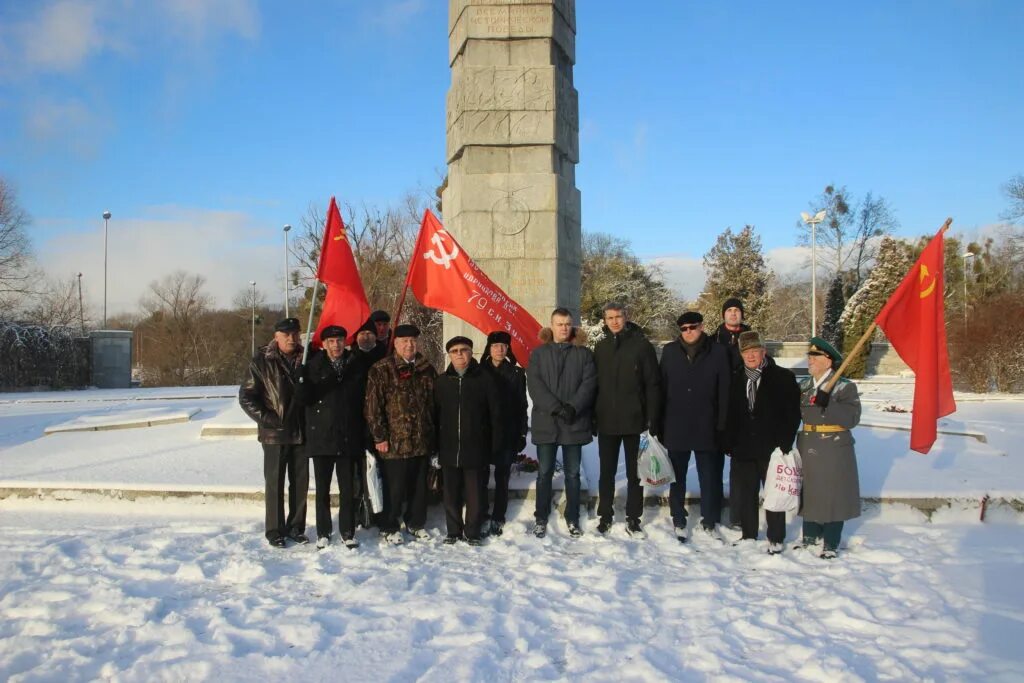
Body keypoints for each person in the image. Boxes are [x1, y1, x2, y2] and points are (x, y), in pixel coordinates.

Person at [654, 311, 730, 543]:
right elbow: (661, 388)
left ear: (702, 326)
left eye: (693, 327)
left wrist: (722, 423)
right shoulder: (669, 352)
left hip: (707, 423)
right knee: (676, 476)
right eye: (684, 328)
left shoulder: (717, 351)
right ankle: (678, 517)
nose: (688, 332)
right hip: (677, 424)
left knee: (709, 475)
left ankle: (709, 519)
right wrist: (658, 421)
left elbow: (724, 390)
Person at [298, 325, 374, 550]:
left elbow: (364, 399)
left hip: (348, 436)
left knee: (348, 488)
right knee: (322, 489)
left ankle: (347, 531)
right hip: (322, 437)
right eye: (331, 341)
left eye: (340, 340)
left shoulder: (355, 365)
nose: (336, 345)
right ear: (324, 344)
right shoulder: (312, 367)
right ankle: (323, 532)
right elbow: (303, 400)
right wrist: (301, 379)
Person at [724, 331, 801, 554]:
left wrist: (785, 442)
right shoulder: (736, 378)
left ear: (763, 352)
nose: (750, 355)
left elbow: (792, 413)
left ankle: (775, 537)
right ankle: (748, 533)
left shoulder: (782, 377)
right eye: (746, 351)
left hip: (772, 448)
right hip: (743, 447)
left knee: (773, 494)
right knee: (746, 492)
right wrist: (729, 441)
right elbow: (729, 413)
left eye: (754, 351)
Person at [238, 317, 309, 548]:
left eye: (295, 334)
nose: (291, 338)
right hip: (274, 435)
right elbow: (246, 396)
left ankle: (296, 527)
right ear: (276, 337)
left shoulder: (308, 358)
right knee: (275, 483)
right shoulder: (261, 361)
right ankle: (275, 530)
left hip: (301, 432)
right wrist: (268, 419)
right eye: (286, 335)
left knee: (300, 483)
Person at [592, 302, 660, 539]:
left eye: (618, 317)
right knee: (606, 472)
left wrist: (652, 417)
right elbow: (595, 385)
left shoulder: (641, 346)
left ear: (626, 316)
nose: (614, 321)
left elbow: (653, 384)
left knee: (635, 474)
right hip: (607, 421)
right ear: (605, 320)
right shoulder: (600, 348)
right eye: (609, 318)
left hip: (635, 421)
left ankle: (633, 517)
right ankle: (605, 516)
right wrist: (594, 415)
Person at [364, 323, 436, 545]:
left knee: (418, 487)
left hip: (420, 439)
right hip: (394, 442)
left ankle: (415, 522)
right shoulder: (382, 369)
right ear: (395, 344)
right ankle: (389, 525)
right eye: (404, 341)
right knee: (394, 488)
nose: (409, 345)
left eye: (413, 341)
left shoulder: (426, 368)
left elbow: (434, 403)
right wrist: (379, 436)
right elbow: (372, 407)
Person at [527, 308, 596, 538]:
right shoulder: (538, 354)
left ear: (572, 325)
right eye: (559, 324)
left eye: (567, 324)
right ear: (552, 325)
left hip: (573, 423)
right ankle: (541, 516)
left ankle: (573, 517)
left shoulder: (583, 354)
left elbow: (589, 384)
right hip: (547, 422)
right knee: (544, 473)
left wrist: (573, 407)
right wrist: (556, 407)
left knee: (573, 474)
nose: (564, 328)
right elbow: (535, 386)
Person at [797, 336, 862, 559]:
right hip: (809, 442)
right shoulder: (804, 385)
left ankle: (832, 541)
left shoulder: (844, 387)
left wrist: (830, 403)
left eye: (815, 356)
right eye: (809, 355)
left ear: (828, 360)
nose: (810, 359)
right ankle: (810, 537)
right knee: (811, 490)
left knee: (834, 492)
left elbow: (852, 418)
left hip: (835, 445)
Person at [434, 336, 502, 545]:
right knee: (451, 493)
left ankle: (472, 531)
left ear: (471, 353)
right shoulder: (442, 382)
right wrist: (435, 446)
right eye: (454, 351)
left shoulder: (485, 380)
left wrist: (493, 445)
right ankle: (453, 530)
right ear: (449, 355)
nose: (459, 354)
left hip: (476, 447)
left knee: (475, 494)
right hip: (449, 447)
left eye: (464, 350)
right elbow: (434, 415)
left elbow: (495, 415)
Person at [479, 330, 528, 537]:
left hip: (507, 433)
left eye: (503, 346)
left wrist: (522, 433)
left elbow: (521, 406)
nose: (499, 350)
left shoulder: (516, 374)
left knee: (502, 476)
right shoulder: (479, 372)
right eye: (495, 346)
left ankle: (499, 516)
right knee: (480, 476)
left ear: (507, 349)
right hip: (483, 433)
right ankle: (480, 513)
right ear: (489, 349)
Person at [711, 297, 750, 373]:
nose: (733, 313)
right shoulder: (712, 341)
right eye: (729, 310)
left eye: (736, 310)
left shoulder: (752, 339)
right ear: (724, 315)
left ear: (742, 314)